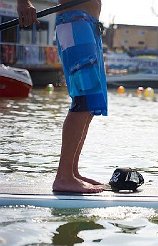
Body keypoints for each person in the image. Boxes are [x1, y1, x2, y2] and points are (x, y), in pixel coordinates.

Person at [17, 0, 107, 193]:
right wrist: (23, 2)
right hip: (75, 22)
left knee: (90, 103)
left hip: (90, 24)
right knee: (83, 100)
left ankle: (72, 172)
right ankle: (63, 176)